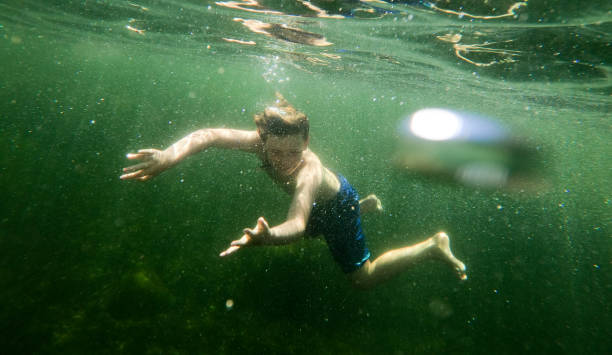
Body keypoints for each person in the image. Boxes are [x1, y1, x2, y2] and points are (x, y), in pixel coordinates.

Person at [120, 94, 467, 288]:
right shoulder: (256, 142)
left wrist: (270, 236)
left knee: (362, 279)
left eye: (294, 152)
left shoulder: (308, 172)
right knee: (316, 229)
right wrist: (167, 156)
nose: (285, 162)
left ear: (306, 143)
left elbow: (297, 223)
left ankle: (430, 247)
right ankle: (365, 207)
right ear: (262, 141)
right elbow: (207, 136)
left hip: (335, 203)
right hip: (323, 202)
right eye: (275, 152)